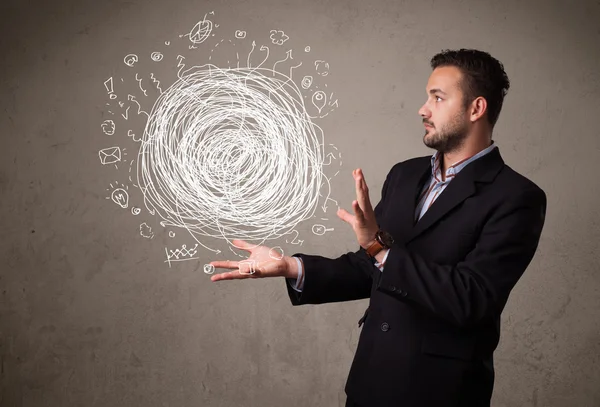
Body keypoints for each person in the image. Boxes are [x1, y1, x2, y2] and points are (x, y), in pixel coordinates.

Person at [210, 48, 547, 407]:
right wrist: (290, 266)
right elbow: (369, 267)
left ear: (476, 108)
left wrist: (380, 249)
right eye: (427, 96)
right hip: (369, 384)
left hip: (441, 393)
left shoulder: (516, 197)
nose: (423, 109)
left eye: (438, 97)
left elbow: (472, 298)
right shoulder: (405, 175)